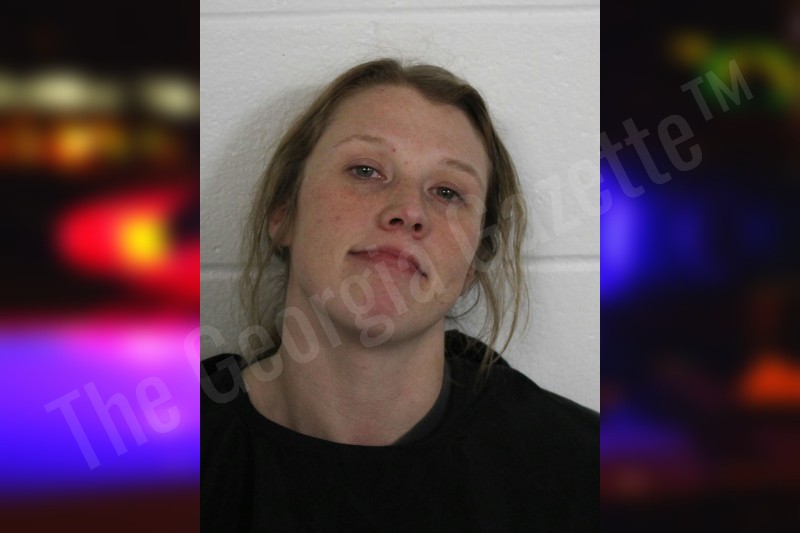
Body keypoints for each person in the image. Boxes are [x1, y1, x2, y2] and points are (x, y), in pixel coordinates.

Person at [201, 58, 598, 532]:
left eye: (447, 192)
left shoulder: (584, 471)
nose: (409, 210)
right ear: (284, 213)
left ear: (473, 263)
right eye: (366, 170)